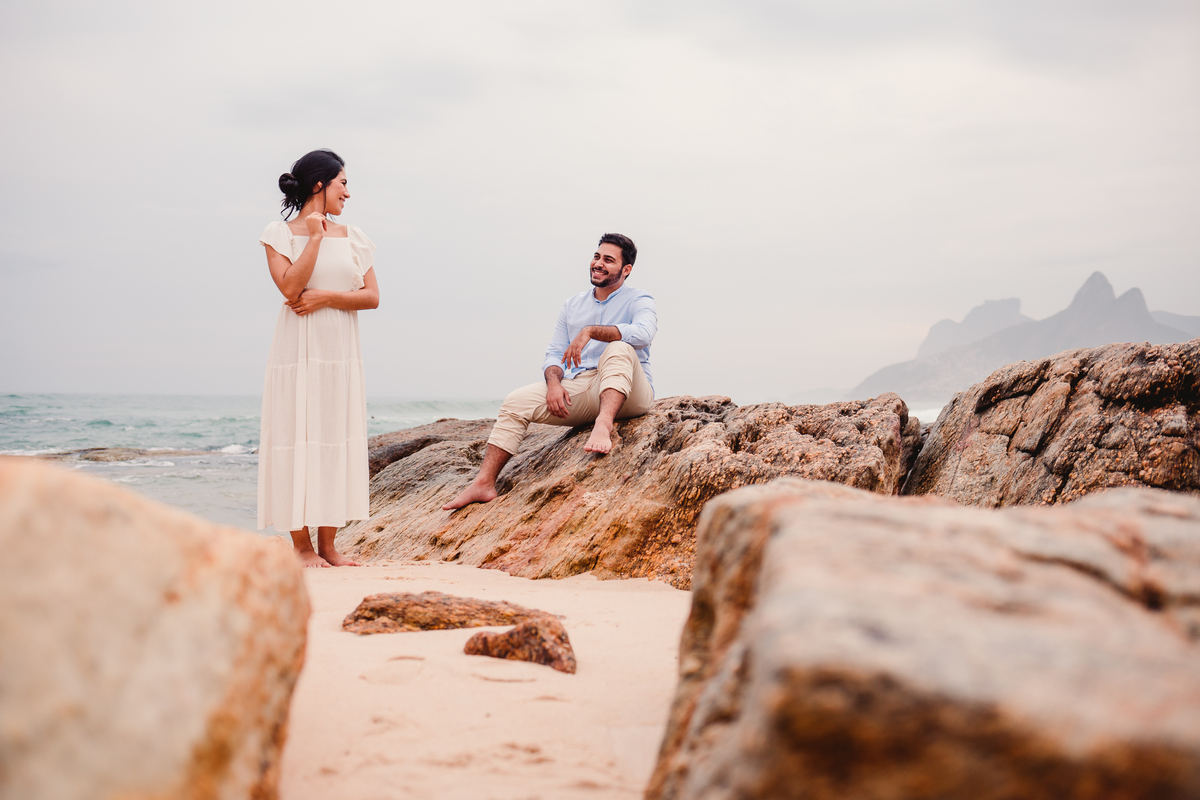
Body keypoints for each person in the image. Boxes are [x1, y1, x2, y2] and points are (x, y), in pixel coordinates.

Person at [443, 233, 656, 510]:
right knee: (515, 402)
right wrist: (554, 383)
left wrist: (591, 331)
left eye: (608, 260)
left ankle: (603, 425)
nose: (598, 264)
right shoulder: (573, 305)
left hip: (630, 392)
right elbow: (555, 353)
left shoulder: (640, 300)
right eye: (596, 256)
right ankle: (483, 483)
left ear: (626, 270)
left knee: (619, 348)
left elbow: (643, 334)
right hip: (584, 386)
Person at [257, 149, 380, 567]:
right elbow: (291, 289)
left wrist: (327, 296)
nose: (348, 191)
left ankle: (328, 545)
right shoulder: (278, 233)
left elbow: (372, 297)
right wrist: (314, 237)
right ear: (319, 186)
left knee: (335, 438)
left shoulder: (355, 236)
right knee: (296, 436)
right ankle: (302, 547)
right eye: (342, 182)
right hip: (297, 353)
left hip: (340, 355)